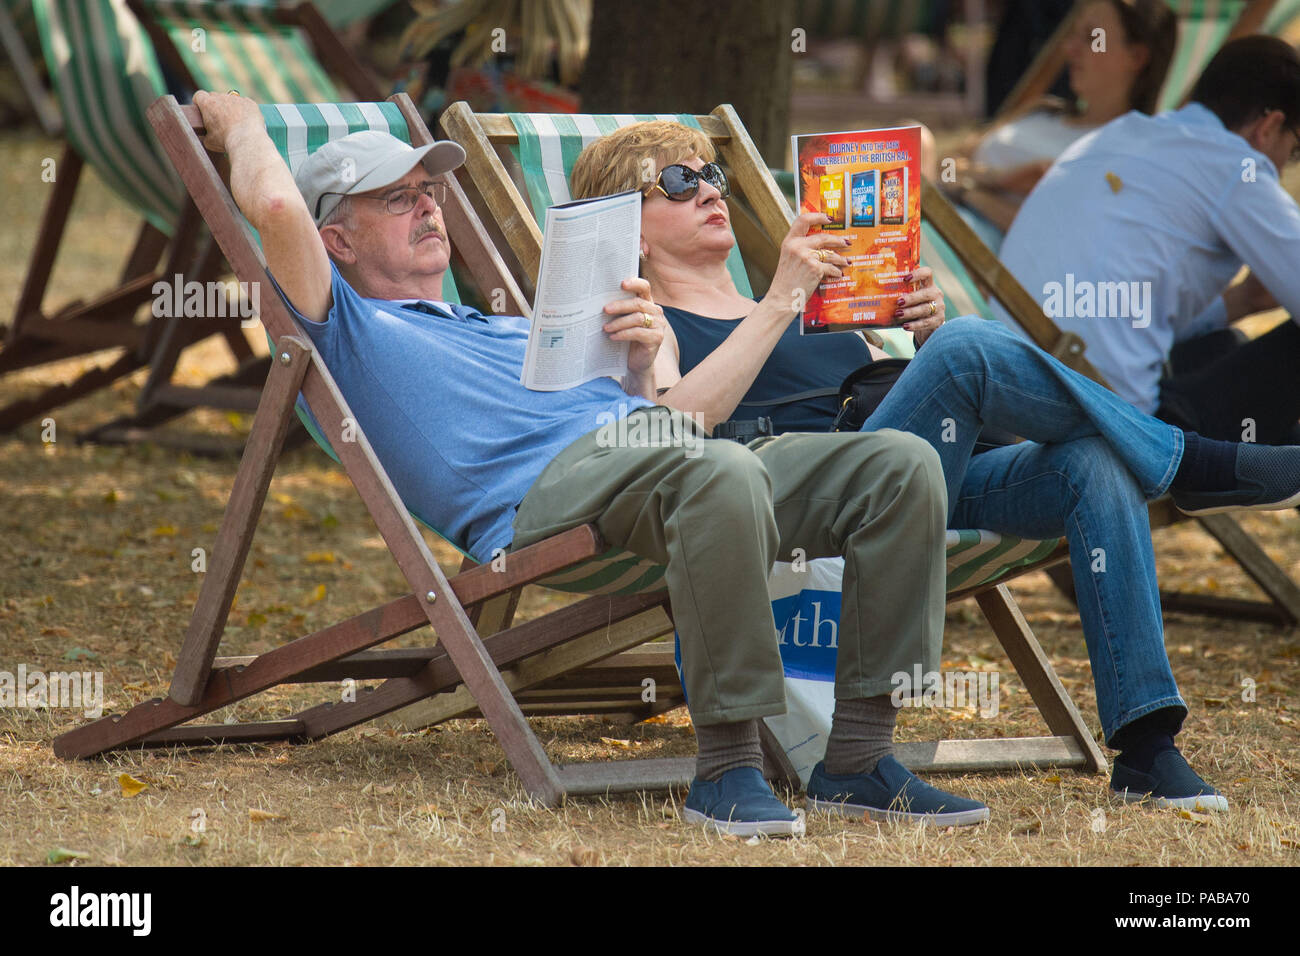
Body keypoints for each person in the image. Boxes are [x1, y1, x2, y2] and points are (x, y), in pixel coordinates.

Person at [189, 90, 995, 838]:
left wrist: (644, 369)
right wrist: (241, 127)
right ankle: (728, 768)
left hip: (650, 452)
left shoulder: (507, 325)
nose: (427, 208)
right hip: (551, 492)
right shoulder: (345, 330)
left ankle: (856, 760)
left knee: (901, 464)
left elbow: (652, 414)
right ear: (336, 240)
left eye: (428, 193)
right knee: (722, 473)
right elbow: (271, 206)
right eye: (396, 200)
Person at [569, 119, 1300, 815]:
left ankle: (1145, 745)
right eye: (675, 180)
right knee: (971, 352)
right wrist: (786, 298)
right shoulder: (651, 319)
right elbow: (678, 431)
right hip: (800, 500)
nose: (708, 190)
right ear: (626, 225)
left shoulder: (817, 303)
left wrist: (922, 341)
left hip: (905, 486)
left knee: (1088, 461)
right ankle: (1191, 461)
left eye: (713, 174)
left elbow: (908, 410)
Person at [993, 35, 1300, 444]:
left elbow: (1122, 306)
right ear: (1269, 127)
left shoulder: (1122, 133)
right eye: (1294, 151)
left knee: (1223, 345)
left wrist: (1243, 301)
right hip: (1114, 428)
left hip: (1007, 396)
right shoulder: (1234, 165)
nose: (1281, 171)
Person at [941, 0, 1176, 245]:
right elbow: (947, 162)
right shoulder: (1043, 110)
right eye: (1074, 34)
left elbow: (1057, 235)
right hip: (941, 213)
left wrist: (969, 192)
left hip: (970, 248)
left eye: (1091, 38)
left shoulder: (1123, 154)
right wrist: (985, 180)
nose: (1070, 48)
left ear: (1136, 57)